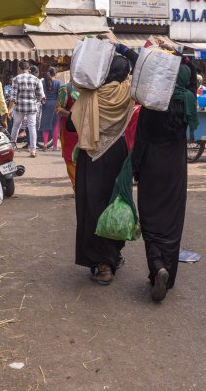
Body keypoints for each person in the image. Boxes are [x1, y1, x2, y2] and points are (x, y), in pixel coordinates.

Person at [133, 59, 198, 302]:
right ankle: (167, 276)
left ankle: (157, 266)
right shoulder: (188, 102)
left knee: (150, 221)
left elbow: (140, 141)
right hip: (175, 171)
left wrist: (135, 169)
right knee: (171, 224)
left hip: (152, 168)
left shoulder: (152, 104)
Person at [70, 46, 135, 285]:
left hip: (91, 155)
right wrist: (123, 49)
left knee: (91, 208)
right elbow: (143, 72)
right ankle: (112, 255)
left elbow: (70, 125)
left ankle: (100, 262)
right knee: (114, 204)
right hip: (117, 154)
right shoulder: (128, 91)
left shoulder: (90, 95)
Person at [9, 61, 45, 158]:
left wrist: (12, 106)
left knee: (16, 126)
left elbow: (13, 96)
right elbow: (41, 95)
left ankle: (12, 147)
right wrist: (34, 100)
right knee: (32, 127)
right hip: (31, 106)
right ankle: (33, 150)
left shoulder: (16, 79)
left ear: (20, 69)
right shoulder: (36, 79)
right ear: (29, 68)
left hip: (19, 106)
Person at [56, 79, 79, 189]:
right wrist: (72, 114)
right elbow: (58, 108)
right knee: (70, 157)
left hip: (88, 128)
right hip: (70, 129)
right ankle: (77, 186)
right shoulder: (66, 88)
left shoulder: (93, 87)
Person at [39, 67, 62, 150]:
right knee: (55, 125)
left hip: (46, 104)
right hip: (56, 105)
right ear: (55, 74)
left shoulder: (42, 82)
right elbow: (61, 94)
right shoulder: (58, 82)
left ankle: (45, 143)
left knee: (46, 124)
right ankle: (55, 146)